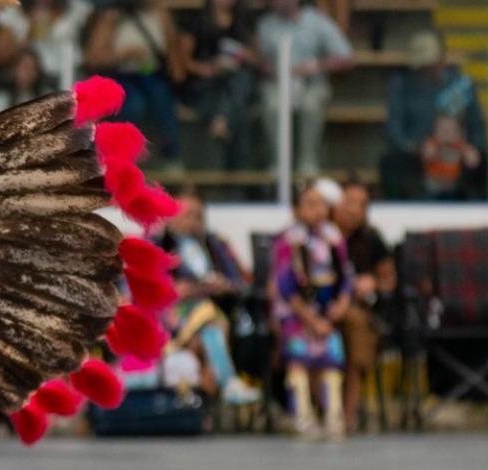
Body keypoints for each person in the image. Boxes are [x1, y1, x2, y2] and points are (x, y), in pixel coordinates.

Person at [151, 191, 262, 405]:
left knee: (203, 335)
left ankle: (203, 403)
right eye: (186, 214)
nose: (193, 221)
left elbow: (239, 281)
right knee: (210, 320)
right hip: (172, 316)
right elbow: (158, 288)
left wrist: (222, 285)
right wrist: (197, 288)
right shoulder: (159, 244)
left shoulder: (214, 243)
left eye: (198, 215)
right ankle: (227, 384)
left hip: (215, 310)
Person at [271, 181, 352, 440]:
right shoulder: (289, 241)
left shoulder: (333, 237)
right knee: (299, 363)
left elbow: (346, 276)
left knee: (331, 362)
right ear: (296, 210)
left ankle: (333, 416)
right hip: (296, 316)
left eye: (322, 205)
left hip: (327, 315)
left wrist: (342, 304)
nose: (318, 211)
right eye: (310, 205)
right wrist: (310, 319)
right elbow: (286, 286)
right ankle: (302, 416)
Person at [385, 30, 486, 200]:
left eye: (429, 66)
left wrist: (472, 149)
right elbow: (393, 133)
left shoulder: (462, 86)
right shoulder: (400, 86)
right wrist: (417, 149)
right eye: (421, 68)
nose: (425, 72)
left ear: (441, 60)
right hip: (417, 162)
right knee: (391, 164)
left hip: (458, 157)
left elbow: (477, 127)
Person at [257, 0, 354, 174]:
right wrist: (274, 69)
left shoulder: (317, 21)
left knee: (311, 106)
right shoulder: (266, 25)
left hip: (312, 83)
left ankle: (307, 166)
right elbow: (261, 62)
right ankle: (278, 165)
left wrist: (318, 65)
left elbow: (346, 57)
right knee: (272, 106)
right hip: (278, 82)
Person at [83, 0, 182, 160]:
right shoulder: (111, 17)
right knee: (135, 104)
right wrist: (123, 55)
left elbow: (172, 48)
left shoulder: (159, 13)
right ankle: (125, 156)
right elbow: (93, 59)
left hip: (151, 74)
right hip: (120, 74)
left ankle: (171, 156)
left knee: (162, 97)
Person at [332, 180, 391, 432]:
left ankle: (348, 415)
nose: (353, 210)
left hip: (357, 311)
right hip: (318, 308)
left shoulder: (372, 239)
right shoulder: (319, 236)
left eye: (361, 205)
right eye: (348, 202)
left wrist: (374, 282)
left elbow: (389, 280)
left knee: (355, 326)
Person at [177, 0, 258, 171]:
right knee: (239, 113)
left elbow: (257, 59)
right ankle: (238, 174)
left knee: (242, 79)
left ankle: (222, 120)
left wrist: (243, 56)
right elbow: (183, 60)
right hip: (205, 87)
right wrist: (207, 68)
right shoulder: (196, 21)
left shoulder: (243, 20)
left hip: (234, 84)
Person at [0, 0, 95, 90]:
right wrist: (29, 32)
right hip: (32, 81)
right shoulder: (12, 11)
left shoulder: (77, 8)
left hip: (72, 75)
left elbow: (94, 53)